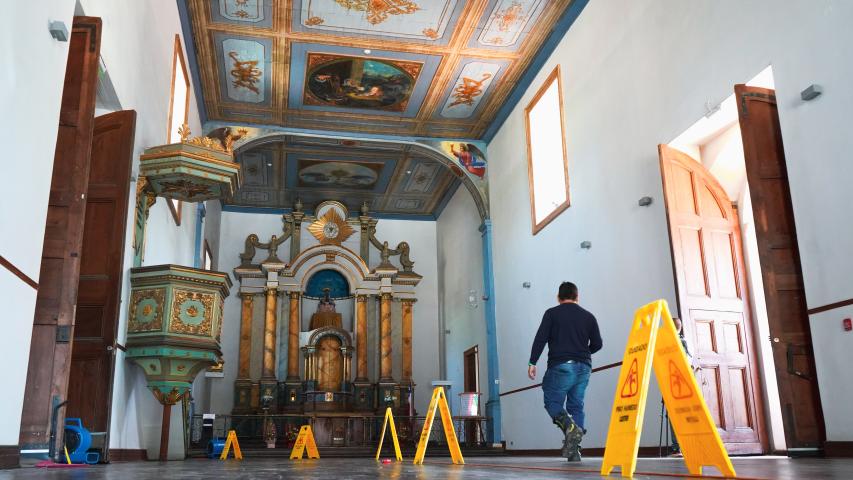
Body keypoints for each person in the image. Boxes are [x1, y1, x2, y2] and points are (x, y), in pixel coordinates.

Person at [528, 282, 603, 462]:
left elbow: (541, 338)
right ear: (577, 297)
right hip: (584, 367)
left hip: (561, 365)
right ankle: (574, 450)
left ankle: (570, 428)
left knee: (552, 401)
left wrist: (532, 362)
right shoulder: (589, 316)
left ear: (558, 297)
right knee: (576, 405)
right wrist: (583, 353)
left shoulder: (552, 314)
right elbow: (598, 344)